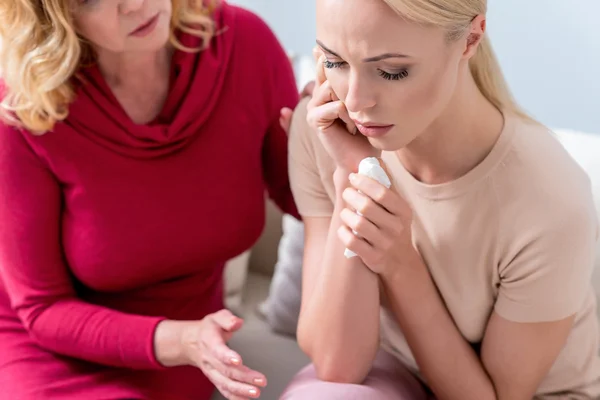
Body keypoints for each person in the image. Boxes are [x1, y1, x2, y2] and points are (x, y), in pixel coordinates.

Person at [282, 0, 600, 399]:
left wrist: (399, 262)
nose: (356, 100)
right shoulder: (327, 130)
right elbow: (336, 365)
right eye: (335, 61)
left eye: (391, 71)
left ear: (470, 39)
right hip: (400, 373)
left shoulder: (551, 201)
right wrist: (355, 174)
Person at [0, 0, 303, 399]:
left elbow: (301, 194)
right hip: (53, 349)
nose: (137, 3)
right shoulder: (23, 106)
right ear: (51, 15)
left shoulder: (243, 44)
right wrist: (183, 341)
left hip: (187, 351)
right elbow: (42, 307)